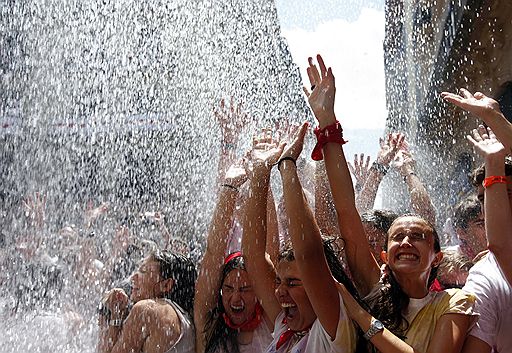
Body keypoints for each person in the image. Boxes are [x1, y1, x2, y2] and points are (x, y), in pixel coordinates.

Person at [304, 54, 476, 353]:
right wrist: (327, 124)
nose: (407, 242)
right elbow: (346, 211)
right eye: (398, 236)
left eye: (418, 236)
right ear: (385, 254)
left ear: (437, 257)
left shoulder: (455, 302)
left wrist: (359, 313)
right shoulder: (375, 289)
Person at [242, 125, 364, 353]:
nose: (279, 292)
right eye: (279, 281)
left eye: (293, 282)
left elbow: (309, 255)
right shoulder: (285, 328)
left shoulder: (333, 331)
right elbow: (253, 259)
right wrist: (260, 171)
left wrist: (287, 165)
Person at [194, 162, 273, 353]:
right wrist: (230, 187)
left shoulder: (272, 322)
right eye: (228, 288)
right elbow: (213, 253)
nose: (235, 297)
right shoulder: (209, 324)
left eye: (245, 289)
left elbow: (269, 249)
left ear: (259, 293)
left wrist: (262, 177)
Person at [98, 250, 196, 353]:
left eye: (143, 271)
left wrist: (112, 315)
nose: (133, 278)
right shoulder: (187, 322)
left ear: (166, 285)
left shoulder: (147, 310)